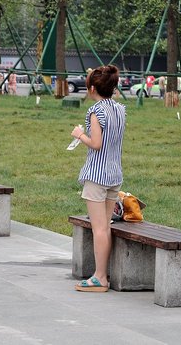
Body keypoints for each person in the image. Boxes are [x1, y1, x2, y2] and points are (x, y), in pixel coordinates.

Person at [71, 65, 125, 292]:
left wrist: (79, 134)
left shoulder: (95, 111)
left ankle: (100, 277)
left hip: (97, 175)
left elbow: (96, 143)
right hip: (114, 174)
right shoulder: (121, 109)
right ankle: (103, 273)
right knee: (106, 226)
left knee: (99, 228)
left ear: (92, 88)